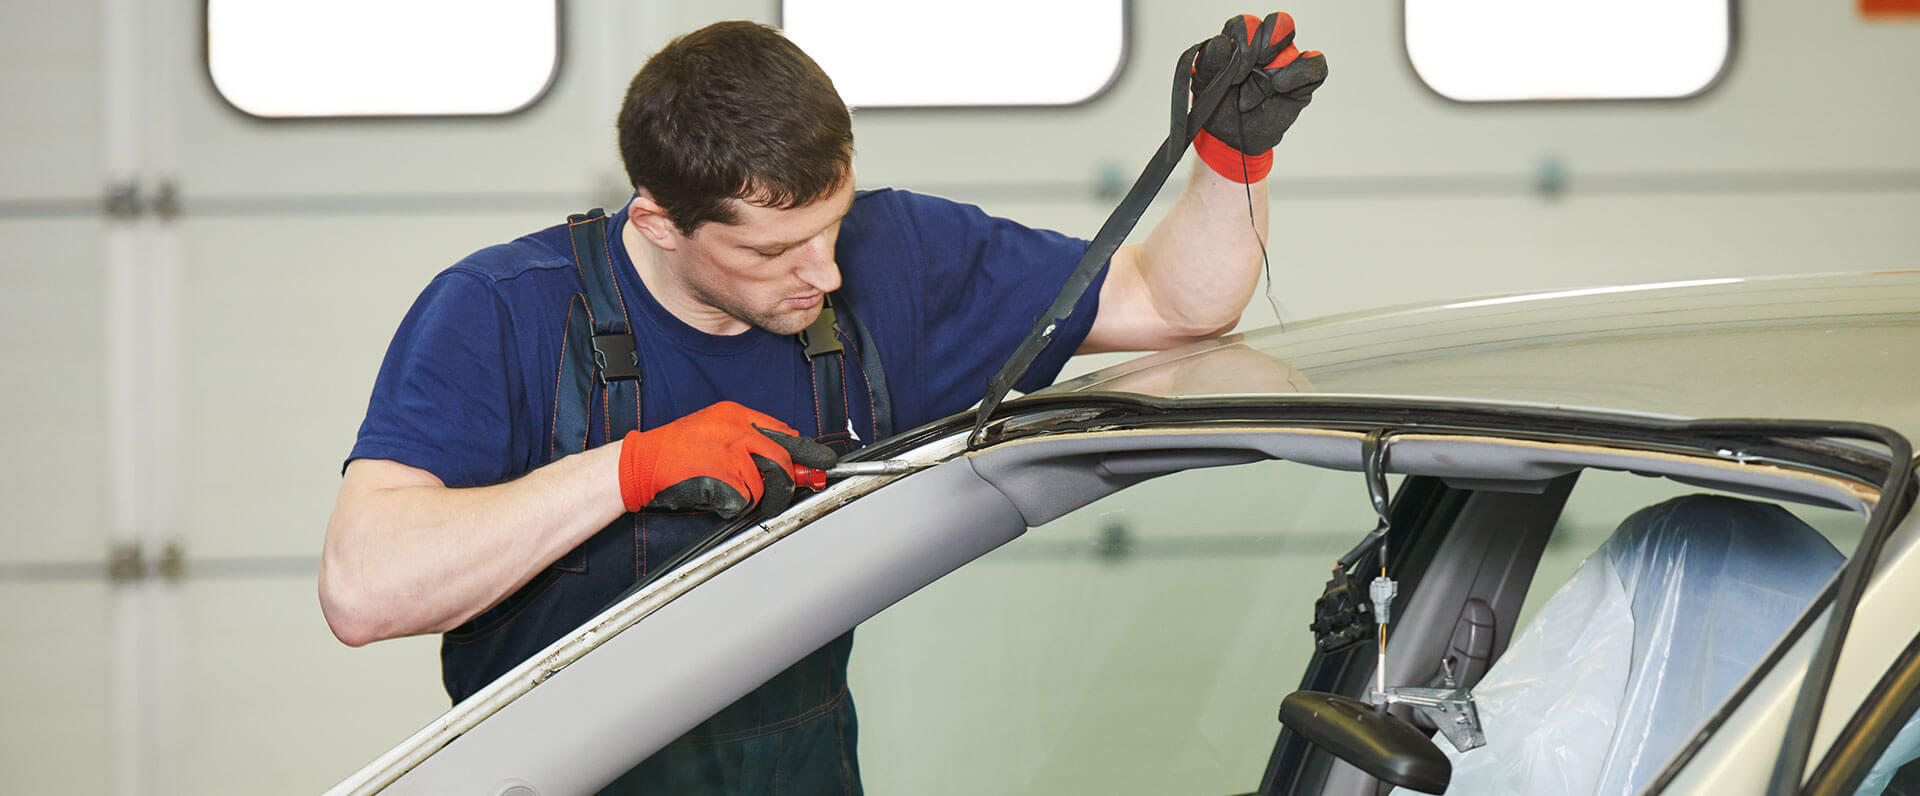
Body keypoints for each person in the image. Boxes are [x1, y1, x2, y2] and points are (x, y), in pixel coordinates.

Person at [319, 14, 1326, 795]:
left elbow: (1171, 305)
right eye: (771, 251)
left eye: (832, 223)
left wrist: (1229, 162)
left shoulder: (901, 261)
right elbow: (365, 589)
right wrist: (631, 469)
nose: (826, 273)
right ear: (659, 223)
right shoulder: (504, 312)